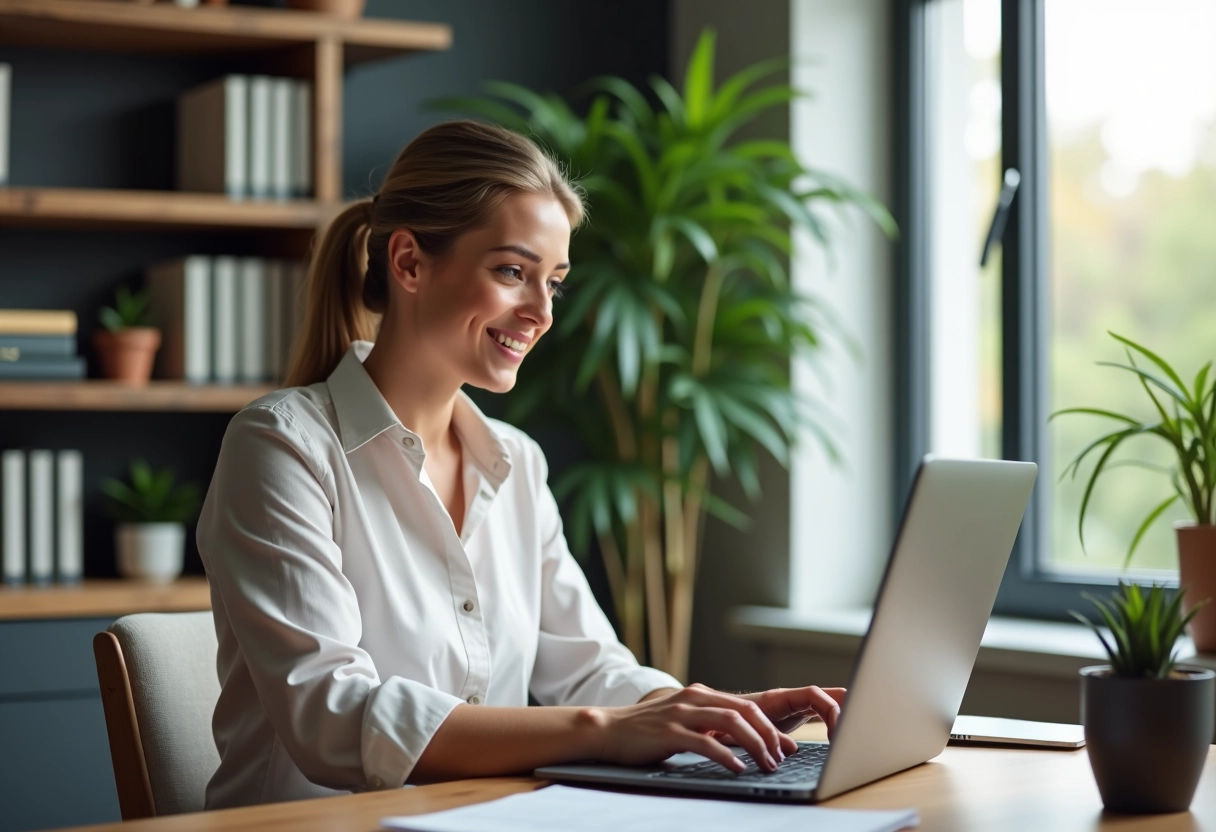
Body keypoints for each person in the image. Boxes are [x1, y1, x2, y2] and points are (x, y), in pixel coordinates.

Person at [196, 119, 845, 809]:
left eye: (554, 283)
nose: (541, 312)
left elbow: (589, 667)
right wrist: (608, 730)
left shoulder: (517, 466)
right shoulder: (281, 447)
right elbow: (330, 716)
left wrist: (703, 712)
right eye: (513, 272)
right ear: (410, 263)